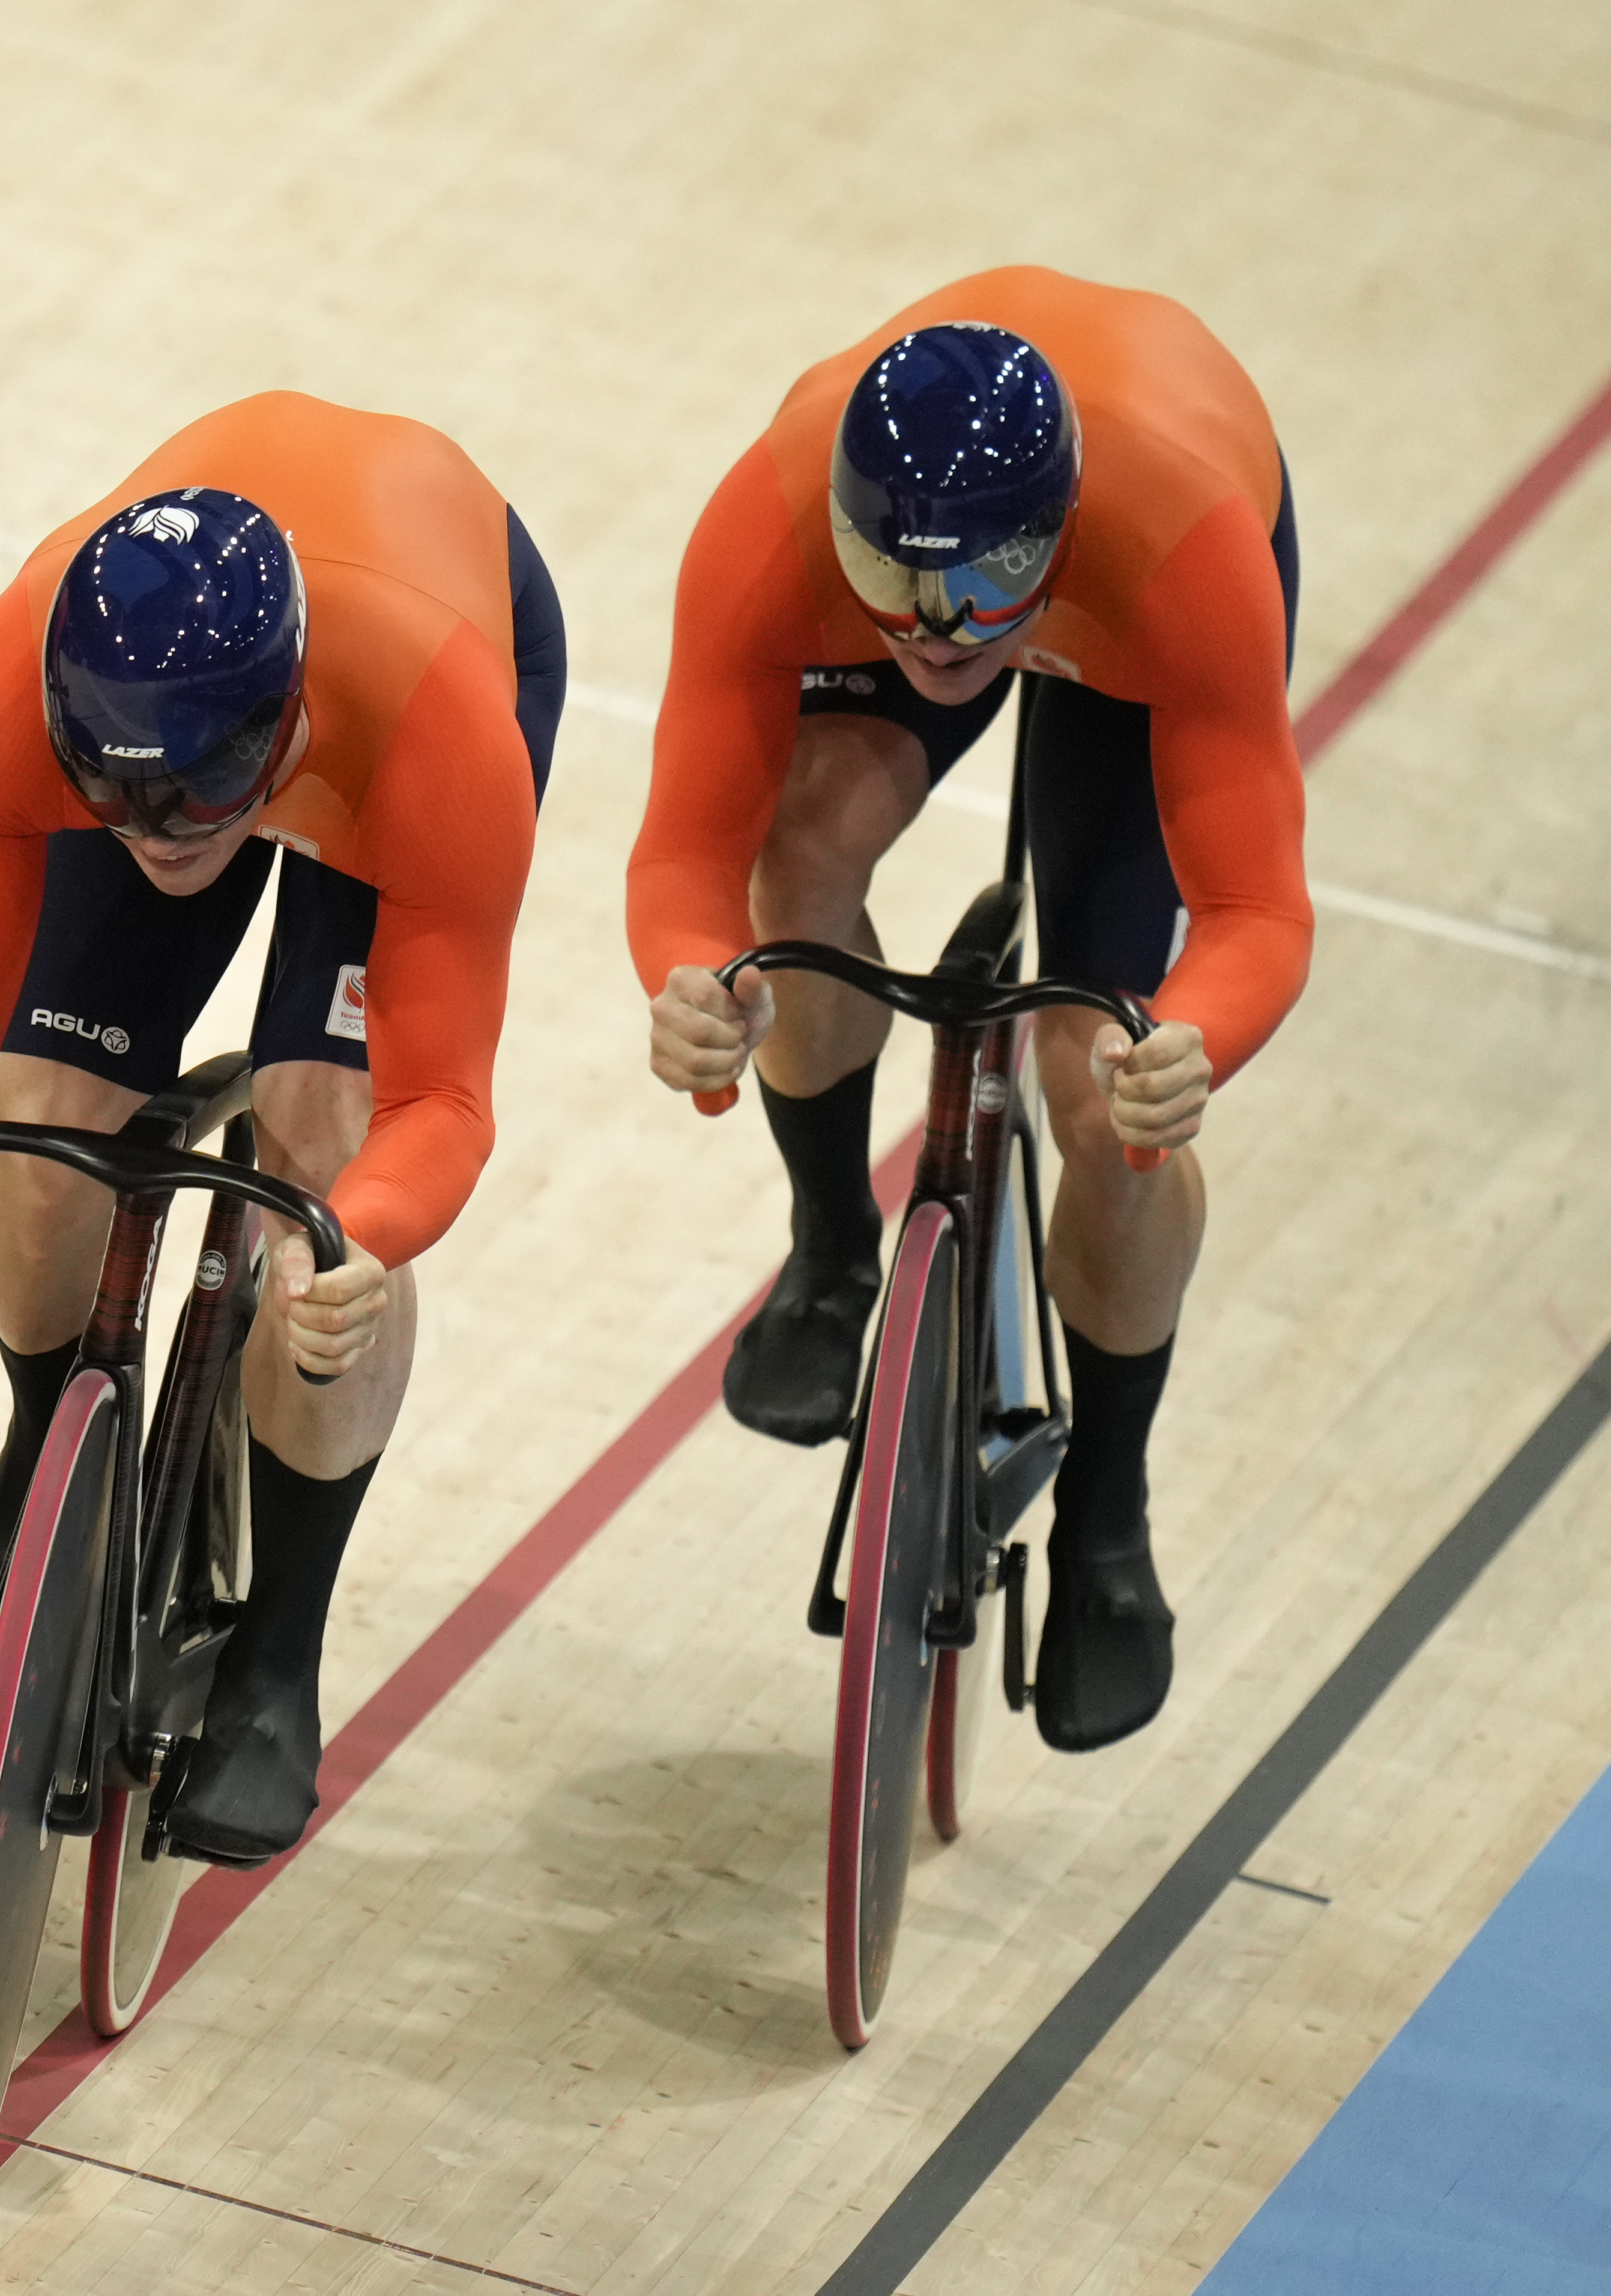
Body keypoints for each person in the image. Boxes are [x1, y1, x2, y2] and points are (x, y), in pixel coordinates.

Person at [0, 392, 560, 1864]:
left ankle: (278, 1650)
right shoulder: (1, 692)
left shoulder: (435, 726)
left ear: (277, 717)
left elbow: (441, 1102)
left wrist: (366, 1240)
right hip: (214, 700)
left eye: (201, 794)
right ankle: (46, 1454)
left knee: (323, 1148)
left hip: (405, 674)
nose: (160, 832)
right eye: (115, 794)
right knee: (39, 1129)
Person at [627, 268, 1308, 1750]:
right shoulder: (775, 524)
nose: (939, 634)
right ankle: (827, 1249)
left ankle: (1107, 1523)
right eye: (897, 588)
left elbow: (1258, 913)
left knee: (1099, 1082)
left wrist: (1193, 1040)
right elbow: (688, 849)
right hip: (1020, 570)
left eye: (987, 587)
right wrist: (687, 981)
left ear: (1050, 536)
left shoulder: (1178, 549)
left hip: (1131, 621)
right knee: (792, 863)